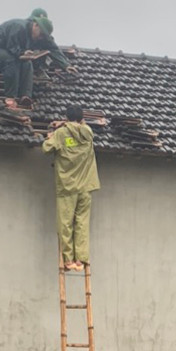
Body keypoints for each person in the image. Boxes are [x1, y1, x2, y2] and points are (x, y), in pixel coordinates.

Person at [42, 105, 100, 271]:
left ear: (66, 118)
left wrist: (50, 136)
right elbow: (79, 128)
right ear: (82, 119)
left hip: (67, 186)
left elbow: (46, 148)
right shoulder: (88, 133)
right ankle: (81, 259)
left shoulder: (61, 134)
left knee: (65, 223)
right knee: (82, 222)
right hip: (85, 186)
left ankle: (68, 260)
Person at [0, 14, 54, 107]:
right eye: (41, 34)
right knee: (11, 60)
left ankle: (25, 95)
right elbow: (12, 47)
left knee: (27, 63)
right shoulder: (19, 27)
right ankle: (10, 97)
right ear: (36, 25)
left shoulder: (30, 35)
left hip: (8, 53)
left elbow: (17, 51)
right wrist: (22, 53)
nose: (40, 38)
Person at [27, 8, 76, 75]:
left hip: (35, 67)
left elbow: (54, 50)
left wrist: (66, 65)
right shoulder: (20, 31)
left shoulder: (46, 38)